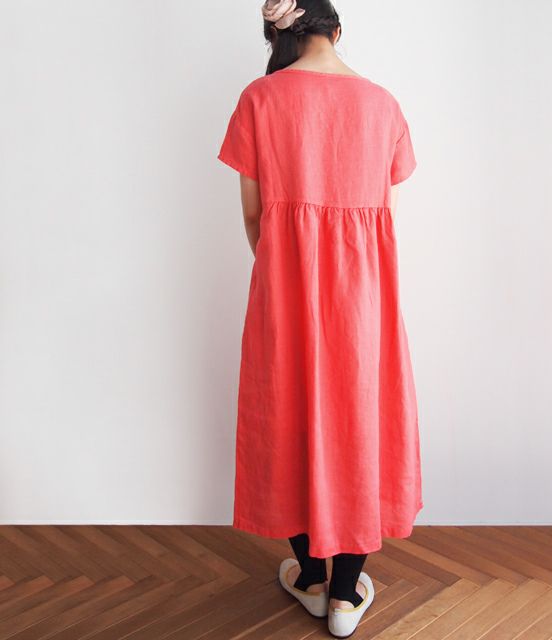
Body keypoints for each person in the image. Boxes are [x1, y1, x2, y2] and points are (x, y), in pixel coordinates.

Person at [217, 0, 423, 636]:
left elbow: (253, 215)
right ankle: (344, 595)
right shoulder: (383, 105)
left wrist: (286, 268)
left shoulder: (259, 99)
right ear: (336, 29)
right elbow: (382, 214)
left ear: (282, 34)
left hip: (284, 287)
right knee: (359, 420)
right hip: (363, 299)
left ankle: (309, 578)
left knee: (288, 415)